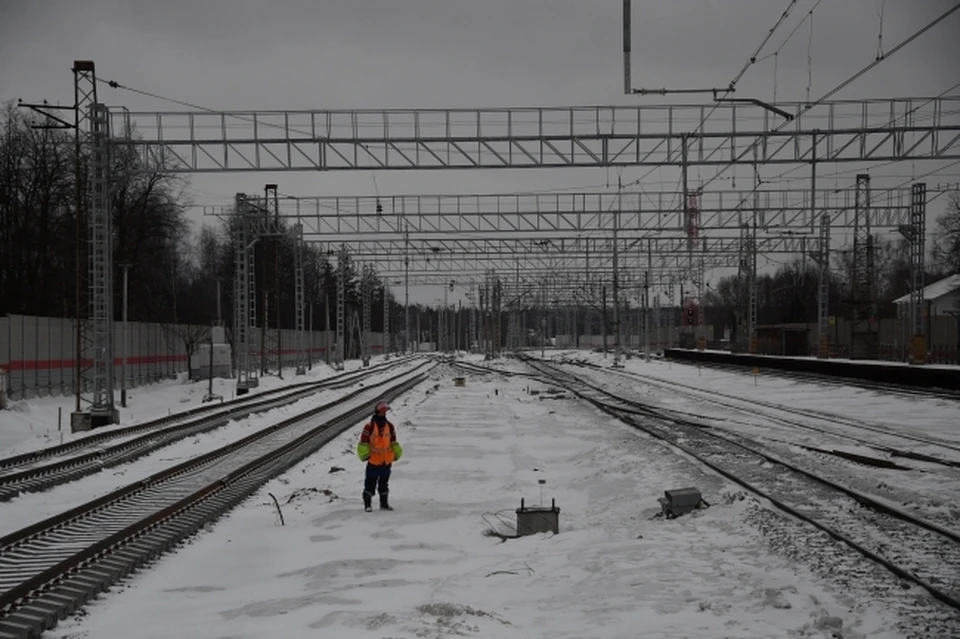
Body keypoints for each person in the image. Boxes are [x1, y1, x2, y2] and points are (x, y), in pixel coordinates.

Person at [356, 400, 403, 512]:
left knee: (384, 483)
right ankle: (367, 504)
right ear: (377, 412)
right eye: (382, 412)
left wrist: (397, 454)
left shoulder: (390, 426)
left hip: (386, 461)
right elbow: (363, 442)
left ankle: (384, 504)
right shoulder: (369, 427)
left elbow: (393, 442)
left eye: (385, 412)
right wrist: (364, 455)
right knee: (370, 483)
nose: (383, 414)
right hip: (373, 460)